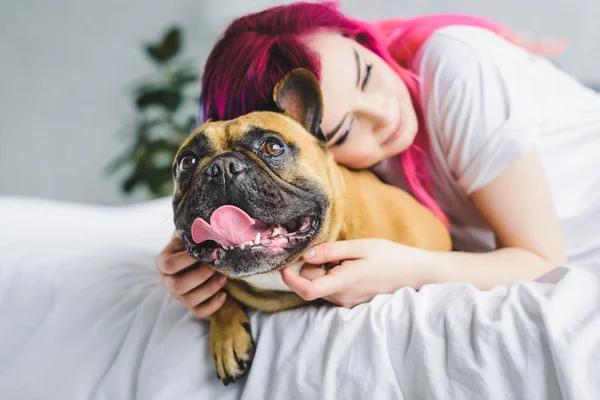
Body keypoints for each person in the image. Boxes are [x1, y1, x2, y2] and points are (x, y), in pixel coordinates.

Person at [156, 1, 600, 317]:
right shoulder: (326, 177)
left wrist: (407, 270)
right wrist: (203, 262)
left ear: (359, 39)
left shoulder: (458, 65)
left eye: (367, 73)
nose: (386, 112)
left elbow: (543, 263)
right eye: (345, 130)